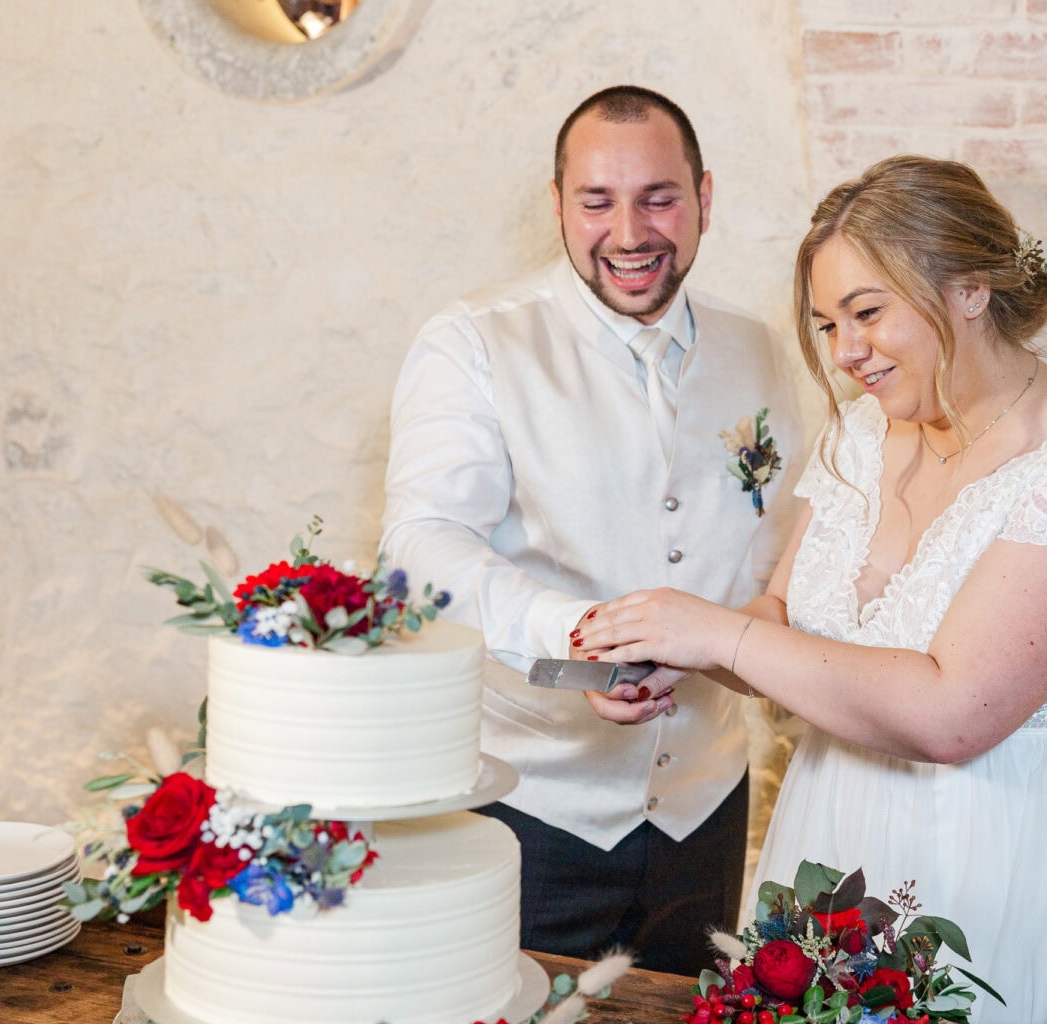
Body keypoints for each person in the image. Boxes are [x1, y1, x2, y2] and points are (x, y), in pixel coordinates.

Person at [579, 155, 1047, 1021]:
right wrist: (678, 653)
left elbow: (954, 717)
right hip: (842, 828)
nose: (845, 353)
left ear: (971, 289)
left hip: (1018, 850)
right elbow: (782, 621)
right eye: (828, 324)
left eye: (867, 313)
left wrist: (719, 636)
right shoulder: (866, 433)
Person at [379, 85, 801, 975]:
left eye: (659, 197)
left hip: (706, 810)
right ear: (558, 204)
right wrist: (575, 637)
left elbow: (781, 542)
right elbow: (419, 547)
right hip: (531, 812)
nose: (630, 232)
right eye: (597, 201)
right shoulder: (474, 342)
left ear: (705, 198)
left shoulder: (760, 347)